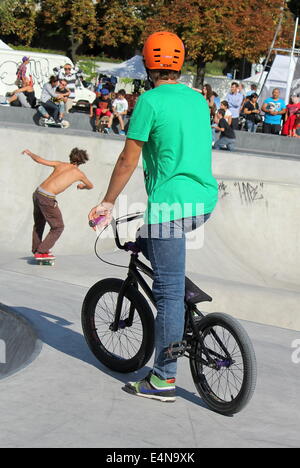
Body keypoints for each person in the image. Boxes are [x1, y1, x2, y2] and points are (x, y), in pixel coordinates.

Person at [88, 31, 218, 402]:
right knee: (154, 247)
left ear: (148, 64)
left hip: (169, 206)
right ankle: (184, 294)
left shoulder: (149, 101)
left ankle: (163, 378)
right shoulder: (198, 100)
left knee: (167, 294)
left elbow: (129, 158)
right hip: (204, 201)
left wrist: (108, 202)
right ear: (179, 65)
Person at [22, 148, 93, 260]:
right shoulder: (79, 174)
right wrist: (82, 186)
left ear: (71, 157)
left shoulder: (59, 164)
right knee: (58, 227)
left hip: (37, 193)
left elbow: (40, 160)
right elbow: (90, 186)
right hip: (47, 198)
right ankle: (41, 251)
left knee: (39, 223)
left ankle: (37, 249)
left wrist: (30, 153)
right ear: (83, 162)